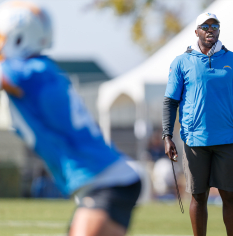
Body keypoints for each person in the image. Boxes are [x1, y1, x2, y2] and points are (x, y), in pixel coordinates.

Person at [0, 2, 140, 235]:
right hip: (106, 180)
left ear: (19, 37)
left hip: (105, 179)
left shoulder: (29, 70)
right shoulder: (40, 70)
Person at [162, 12, 233, 236]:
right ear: (196, 31)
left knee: (230, 195)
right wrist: (167, 136)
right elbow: (170, 102)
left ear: (218, 30)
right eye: (204, 26)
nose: (210, 30)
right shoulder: (181, 62)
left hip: (227, 139)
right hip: (195, 140)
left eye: (214, 26)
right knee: (198, 196)